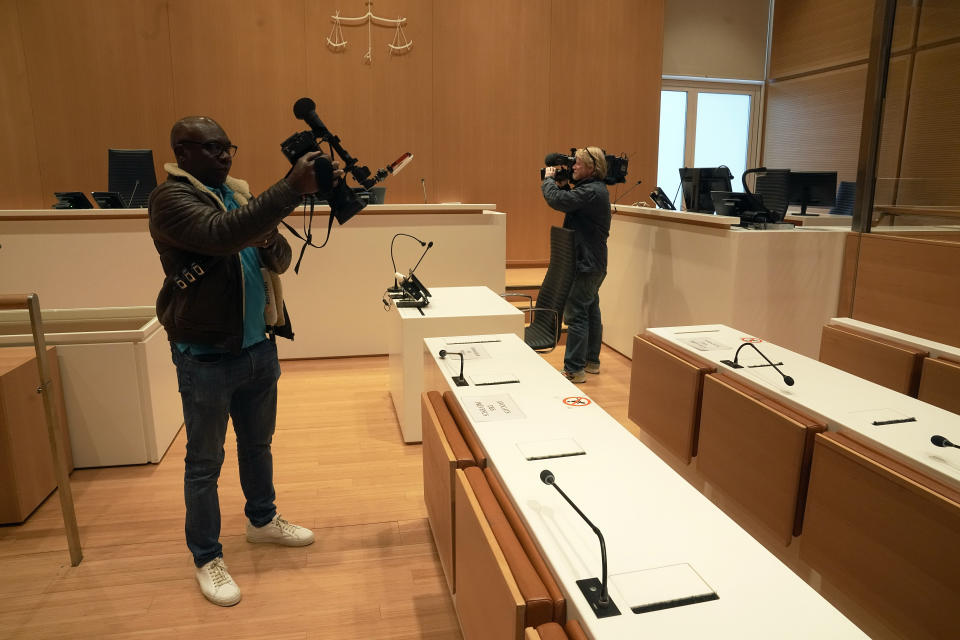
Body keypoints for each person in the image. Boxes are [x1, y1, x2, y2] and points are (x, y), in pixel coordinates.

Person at [148, 116, 338, 606]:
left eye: (227, 146)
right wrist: (284, 192)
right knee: (204, 462)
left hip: (258, 345)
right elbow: (219, 235)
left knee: (258, 445)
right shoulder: (170, 200)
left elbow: (277, 258)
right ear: (182, 152)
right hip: (206, 355)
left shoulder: (237, 195)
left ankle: (262, 521)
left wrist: (264, 231)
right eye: (212, 149)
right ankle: (206, 555)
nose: (225, 156)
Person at [541, 147, 611, 383]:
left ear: (592, 168)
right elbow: (571, 201)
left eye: (578, 164)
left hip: (586, 263)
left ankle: (574, 370)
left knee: (576, 314)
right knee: (590, 310)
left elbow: (559, 201)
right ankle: (591, 362)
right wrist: (562, 184)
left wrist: (548, 180)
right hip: (592, 262)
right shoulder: (592, 190)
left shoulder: (592, 191)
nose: (574, 167)